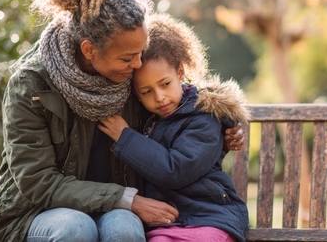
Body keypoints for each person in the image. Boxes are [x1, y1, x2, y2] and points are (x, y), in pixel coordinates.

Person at [0, 0, 243, 242]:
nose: (138, 64)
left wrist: (225, 122)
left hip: (114, 208)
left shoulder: (129, 74)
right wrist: (127, 199)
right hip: (36, 212)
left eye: (141, 53)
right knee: (76, 228)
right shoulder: (32, 85)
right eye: (128, 57)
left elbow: (179, 96)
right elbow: (38, 182)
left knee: (124, 229)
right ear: (89, 50)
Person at [98, 13, 250, 242]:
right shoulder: (150, 120)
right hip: (166, 224)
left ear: (180, 72)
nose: (160, 97)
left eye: (165, 84)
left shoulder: (204, 116)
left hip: (210, 218)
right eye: (146, 92)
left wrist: (125, 138)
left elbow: (176, 170)